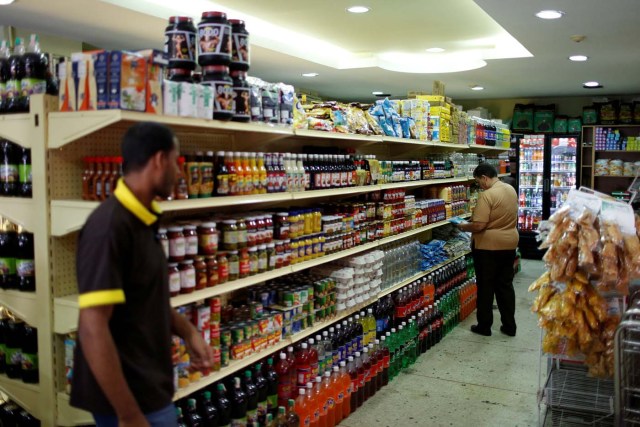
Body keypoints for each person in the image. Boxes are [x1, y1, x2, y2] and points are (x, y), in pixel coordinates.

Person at [70, 122, 213, 427]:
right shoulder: (109, 227)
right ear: (160, 160)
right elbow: (93, 327)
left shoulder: (141, 219)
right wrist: (129, 414)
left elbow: (146, 298)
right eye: (176, 162)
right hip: (131, 399)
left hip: (150, 387)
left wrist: (188, 332)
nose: (180, 174)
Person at [457, 163, 519, 337]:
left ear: (484, 177)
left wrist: (463, 226)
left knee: (486, 287)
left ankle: (484, 326)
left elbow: (479, 225)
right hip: (509, 243)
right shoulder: (510, 189)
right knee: (505, 286)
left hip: (488, 247)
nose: (480, 186)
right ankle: (509, 326)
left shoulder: (487, 195)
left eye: (479, 182)